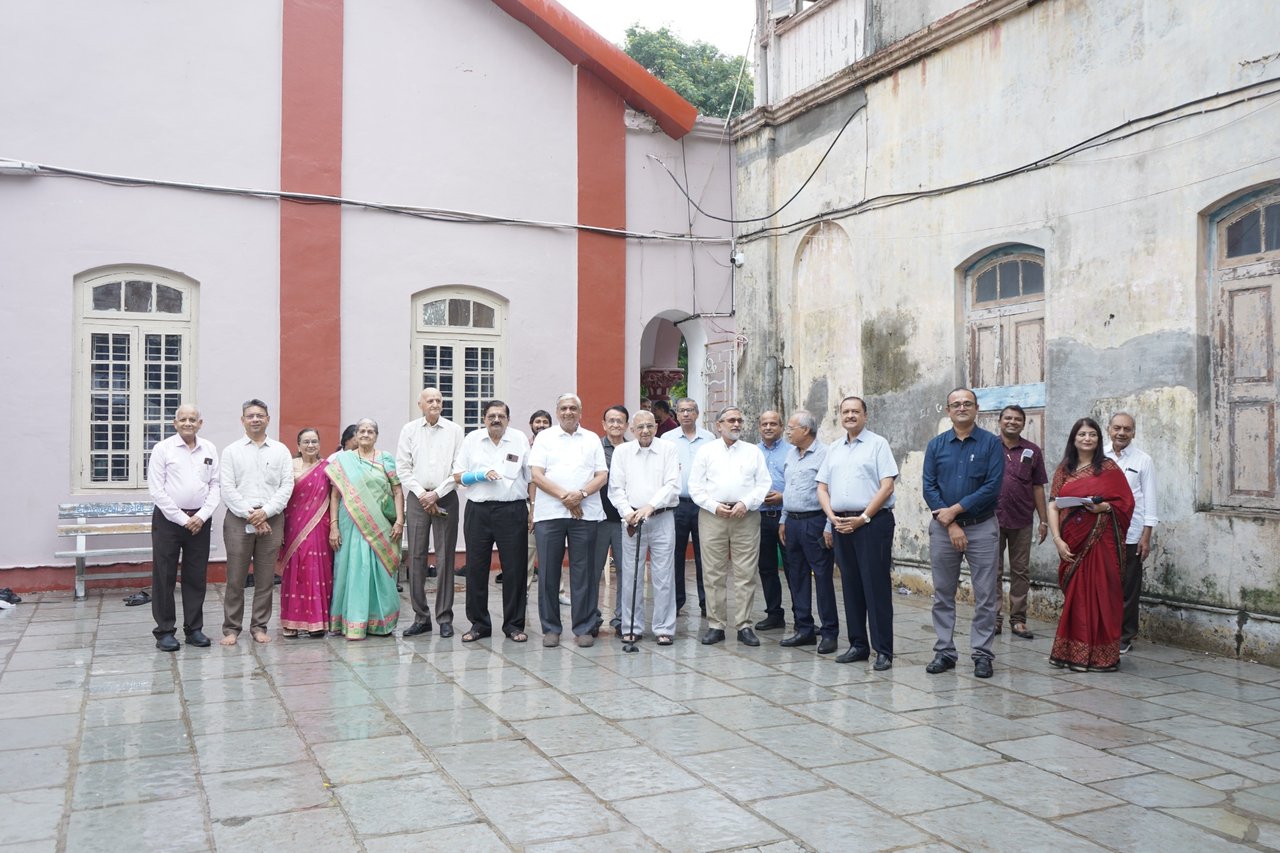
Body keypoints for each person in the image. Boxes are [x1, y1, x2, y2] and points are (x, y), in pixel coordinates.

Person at [922, 388, 1005, 678]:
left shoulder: (992, 444)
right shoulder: (936, 446)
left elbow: (992, 486)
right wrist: (951, 523)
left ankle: (982, 654)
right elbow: (929, 487)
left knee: (985, 595)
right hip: (944, 530)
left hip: (982, 526)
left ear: (976, 408)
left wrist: (956, 510)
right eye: (955, 404)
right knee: (943, 593)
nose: (961, 408)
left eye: (967, 403)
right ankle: (945, 651)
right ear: (948, 410)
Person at [1047, 417, 1135, 671]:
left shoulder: (1108, 468)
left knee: (1103, 593)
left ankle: (1102, 656)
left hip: (1102, 542)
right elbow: (1053, 505)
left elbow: (1126, 503)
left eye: (1092, 434)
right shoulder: (1064, 469)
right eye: (1082, 434)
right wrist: (1057, 540)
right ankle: (1071, 652)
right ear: (1074, 439)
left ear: (1099, 438)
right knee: (1077, 598)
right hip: (1072, 541)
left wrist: (1104, 507)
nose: (1087, 438)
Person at [818, 397, 898, 669]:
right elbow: (822, 487)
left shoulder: (878, 444)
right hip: (841, 523)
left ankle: (883, 650)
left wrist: (863, 518)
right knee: (850, 585)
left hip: (872, 523)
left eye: (855, 411)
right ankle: (858, 645)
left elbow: (887, 486)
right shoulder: (834, 448)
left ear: (865, 415)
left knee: (875, 587)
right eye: (845, 411)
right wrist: (831, 516)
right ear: (840, 416)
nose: (850, 415)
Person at [529, 393, 608, 648]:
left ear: (580, 412)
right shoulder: (545, 438)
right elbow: (536, 474)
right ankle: (551, 628)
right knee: (548, 573)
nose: (568, 412)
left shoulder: (592, 438)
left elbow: (602, 475)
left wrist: (580, 495)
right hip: (550, 514)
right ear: (557, 411)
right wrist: (566, 497)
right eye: (563, 408)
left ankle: (583, 627)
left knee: (583, 572)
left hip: (585, 513)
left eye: (573, 408)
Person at [689, 406, 771, 647]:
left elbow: (763, 483)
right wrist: (713, 506)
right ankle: (716, 625)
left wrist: (746, 503)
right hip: (712, 515)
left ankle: (744, 625)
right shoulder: (706, 451)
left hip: (746, 516)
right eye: (731, 420)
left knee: (746, 572)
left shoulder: (753, 452)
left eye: (739, 420)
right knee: (713, 572)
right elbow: (695, 486)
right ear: (719, 425)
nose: (736, 424)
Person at [454, 400, 530, 643]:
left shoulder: (519, 439)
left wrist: (533, 510)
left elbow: (531, 477)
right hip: (479, 511)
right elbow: (458, 477)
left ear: (508, 419)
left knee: (515, 569)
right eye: (491, 416)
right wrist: (480, 475)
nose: (496, 420)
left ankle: (514, 625)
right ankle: (479, 625)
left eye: (501, 416)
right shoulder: (472, 440)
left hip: (512, 510)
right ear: (484, 419)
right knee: (476, 569)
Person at [220, 398, 294, 646]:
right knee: (236, 578)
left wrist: (266, 512)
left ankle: (259, 626)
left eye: (260, 415)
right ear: (242, 420)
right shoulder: (231, 451)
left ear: (267, 419)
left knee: (265, 578)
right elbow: (227, 488)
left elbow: (286, 486)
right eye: (250, 416)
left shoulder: (280, 450)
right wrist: (251, 514)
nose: (255, 419)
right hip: (239, 519)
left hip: (272, 518)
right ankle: (231, 628)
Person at [147, 404, 219, 652]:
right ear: (175, 423)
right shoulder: (163, 449)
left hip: (200, 521)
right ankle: (165, 631)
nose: (188, 423)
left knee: (196, 575)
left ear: (200, 423)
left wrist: (202, 516)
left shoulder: (209, 449)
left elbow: (215, 485)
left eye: (192, 419)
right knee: (164, 575)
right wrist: (182, 518)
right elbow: (157, 490)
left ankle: (194, 629)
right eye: (183, 419)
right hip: (169, 520)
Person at [396, 387, 464, 638]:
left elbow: (459, 467)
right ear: (420, 405)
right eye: (430, 400)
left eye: (438, 400)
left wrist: (437, 493)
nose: (435, 404)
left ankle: (444, 617)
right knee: (416, 556)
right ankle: (421, 617)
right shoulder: (409, 430)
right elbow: (403, 467)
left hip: (446, 496)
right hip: (417, 498)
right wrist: (422, 494)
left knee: (445, 557)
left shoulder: (455, 430)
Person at [327, 418, 404, 639]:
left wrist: (399, 521)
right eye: (362, 431)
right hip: (350, 522)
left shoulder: (385, 459)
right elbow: (334, 496)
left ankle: (380, 622)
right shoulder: (344, 461)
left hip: (381, 523)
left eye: (370, 431)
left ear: (376, 436)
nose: (366, 434)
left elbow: (397, 491)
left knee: (380, 570)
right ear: (356, 435)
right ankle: (353, 621)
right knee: (352, 568)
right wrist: (334, 526)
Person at [609, 410, 681, 644]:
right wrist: (627, 512)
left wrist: (650, 506)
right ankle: (632, 626)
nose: (645, 431)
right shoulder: (622, 452)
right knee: (631, 574)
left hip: (662, 517)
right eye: (640, 427)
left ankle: (664, 628)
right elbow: (616, 488)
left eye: (650, 426)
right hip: (632, 519)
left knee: (664, 575)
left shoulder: (668, 448)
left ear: (656, 427)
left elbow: (673, 484)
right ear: (632, 429)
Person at [777, 410, 836, 654]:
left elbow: (831, 492)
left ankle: (829, 632)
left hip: (816, 521)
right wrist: (783, 519)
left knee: (822, 577)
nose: (787, 432)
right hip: (792, 522)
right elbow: (789, 489)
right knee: (796, 576)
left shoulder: (826, 454)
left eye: (791, 428)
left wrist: (829, 525)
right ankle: (804, 629)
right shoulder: (791, 454)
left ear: (806, 430)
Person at [994, 405, 1049, 640]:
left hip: (1022, 519)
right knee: (992, 571)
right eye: (1008, 418)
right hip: (991, 519)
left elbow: (1038, 487)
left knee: (1021, 571)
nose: (1012, 422)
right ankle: (993, 619)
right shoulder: (989, 447)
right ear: (1000, 421)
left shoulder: (1032, 451)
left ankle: (1018, 620)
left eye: (1018, 419)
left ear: (1023, 424)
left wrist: (1044, 521)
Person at [1105, 412, 1158, 655]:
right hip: (1103, 531)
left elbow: (1150, 499)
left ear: (1133, 432)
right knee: (1104, 584)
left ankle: (1125, 636)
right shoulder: (1099, 456)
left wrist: (1146, 536)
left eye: (1127, 429)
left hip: (1132, 532)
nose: (1121, 433)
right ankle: (1104, 631)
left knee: (1128, 587)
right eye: (1117, 428)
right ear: (1109, 429)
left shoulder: (1143, 460)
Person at [278, 428, 333, 639]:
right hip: (292, 525)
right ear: (298, 446)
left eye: (314, 441)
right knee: (294, 571)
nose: (311, 445)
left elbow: (335, 498)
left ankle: (317, 621)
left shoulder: (327, 468)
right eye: (306, 442)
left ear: (319, 444)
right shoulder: (289, 466)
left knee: (316, 571)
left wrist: (334, 526)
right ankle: (291, 621)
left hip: (320, 526)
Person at [663, 397, 715, 616]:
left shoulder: (710, 439)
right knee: (675, 554)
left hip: (703, 505)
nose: (686, 414)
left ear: (697, 413)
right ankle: (676, 602)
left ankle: (706, 603)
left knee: (705, 555)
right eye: (682, 410)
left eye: (690, 410)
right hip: (677, 504)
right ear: (676, 414)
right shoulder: (667, 439)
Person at [595, 405, 629, 635]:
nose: (615, 424)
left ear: (626, 425)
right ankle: (591, 619)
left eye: (620, 421)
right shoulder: (595, 448)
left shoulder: (633, 449)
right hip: (598, 519)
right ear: (604, 424)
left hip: (624, 520)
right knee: (593, 572)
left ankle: (622, 621)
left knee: (626, 572)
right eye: (611, 421)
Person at [754, 410, 789, 631]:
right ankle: (774, 614)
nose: (768, 427)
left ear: (781, 427)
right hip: (760, 517)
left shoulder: (792, 451)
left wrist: (783, 496)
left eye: (773, 424)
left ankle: (802, 617)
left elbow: (800, 483)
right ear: (759, 427)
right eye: (764, 424)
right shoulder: (752, 453)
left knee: (794, 567)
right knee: (766, 568)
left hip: (786, 516)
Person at [518, 409, 553, 588]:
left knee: (553, 552)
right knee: (529, 550)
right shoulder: (524, 446)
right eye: (537, 421)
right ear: (531, 424)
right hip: (529, 504)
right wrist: (532, 507)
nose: (541, 425)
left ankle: (559, 592)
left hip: (552, 504)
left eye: (545, 422)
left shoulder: (555, 446)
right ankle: (524, 591)